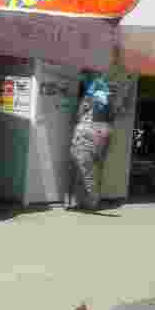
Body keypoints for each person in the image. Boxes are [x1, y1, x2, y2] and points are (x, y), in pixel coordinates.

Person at [68, 72, 115, 211]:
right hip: (98, 140)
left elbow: (79, 115)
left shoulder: (92, 101)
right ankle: (87, 201)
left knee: (83, 171)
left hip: (88, 139)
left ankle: (88, 202)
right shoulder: (106, 103)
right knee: (90, 171)